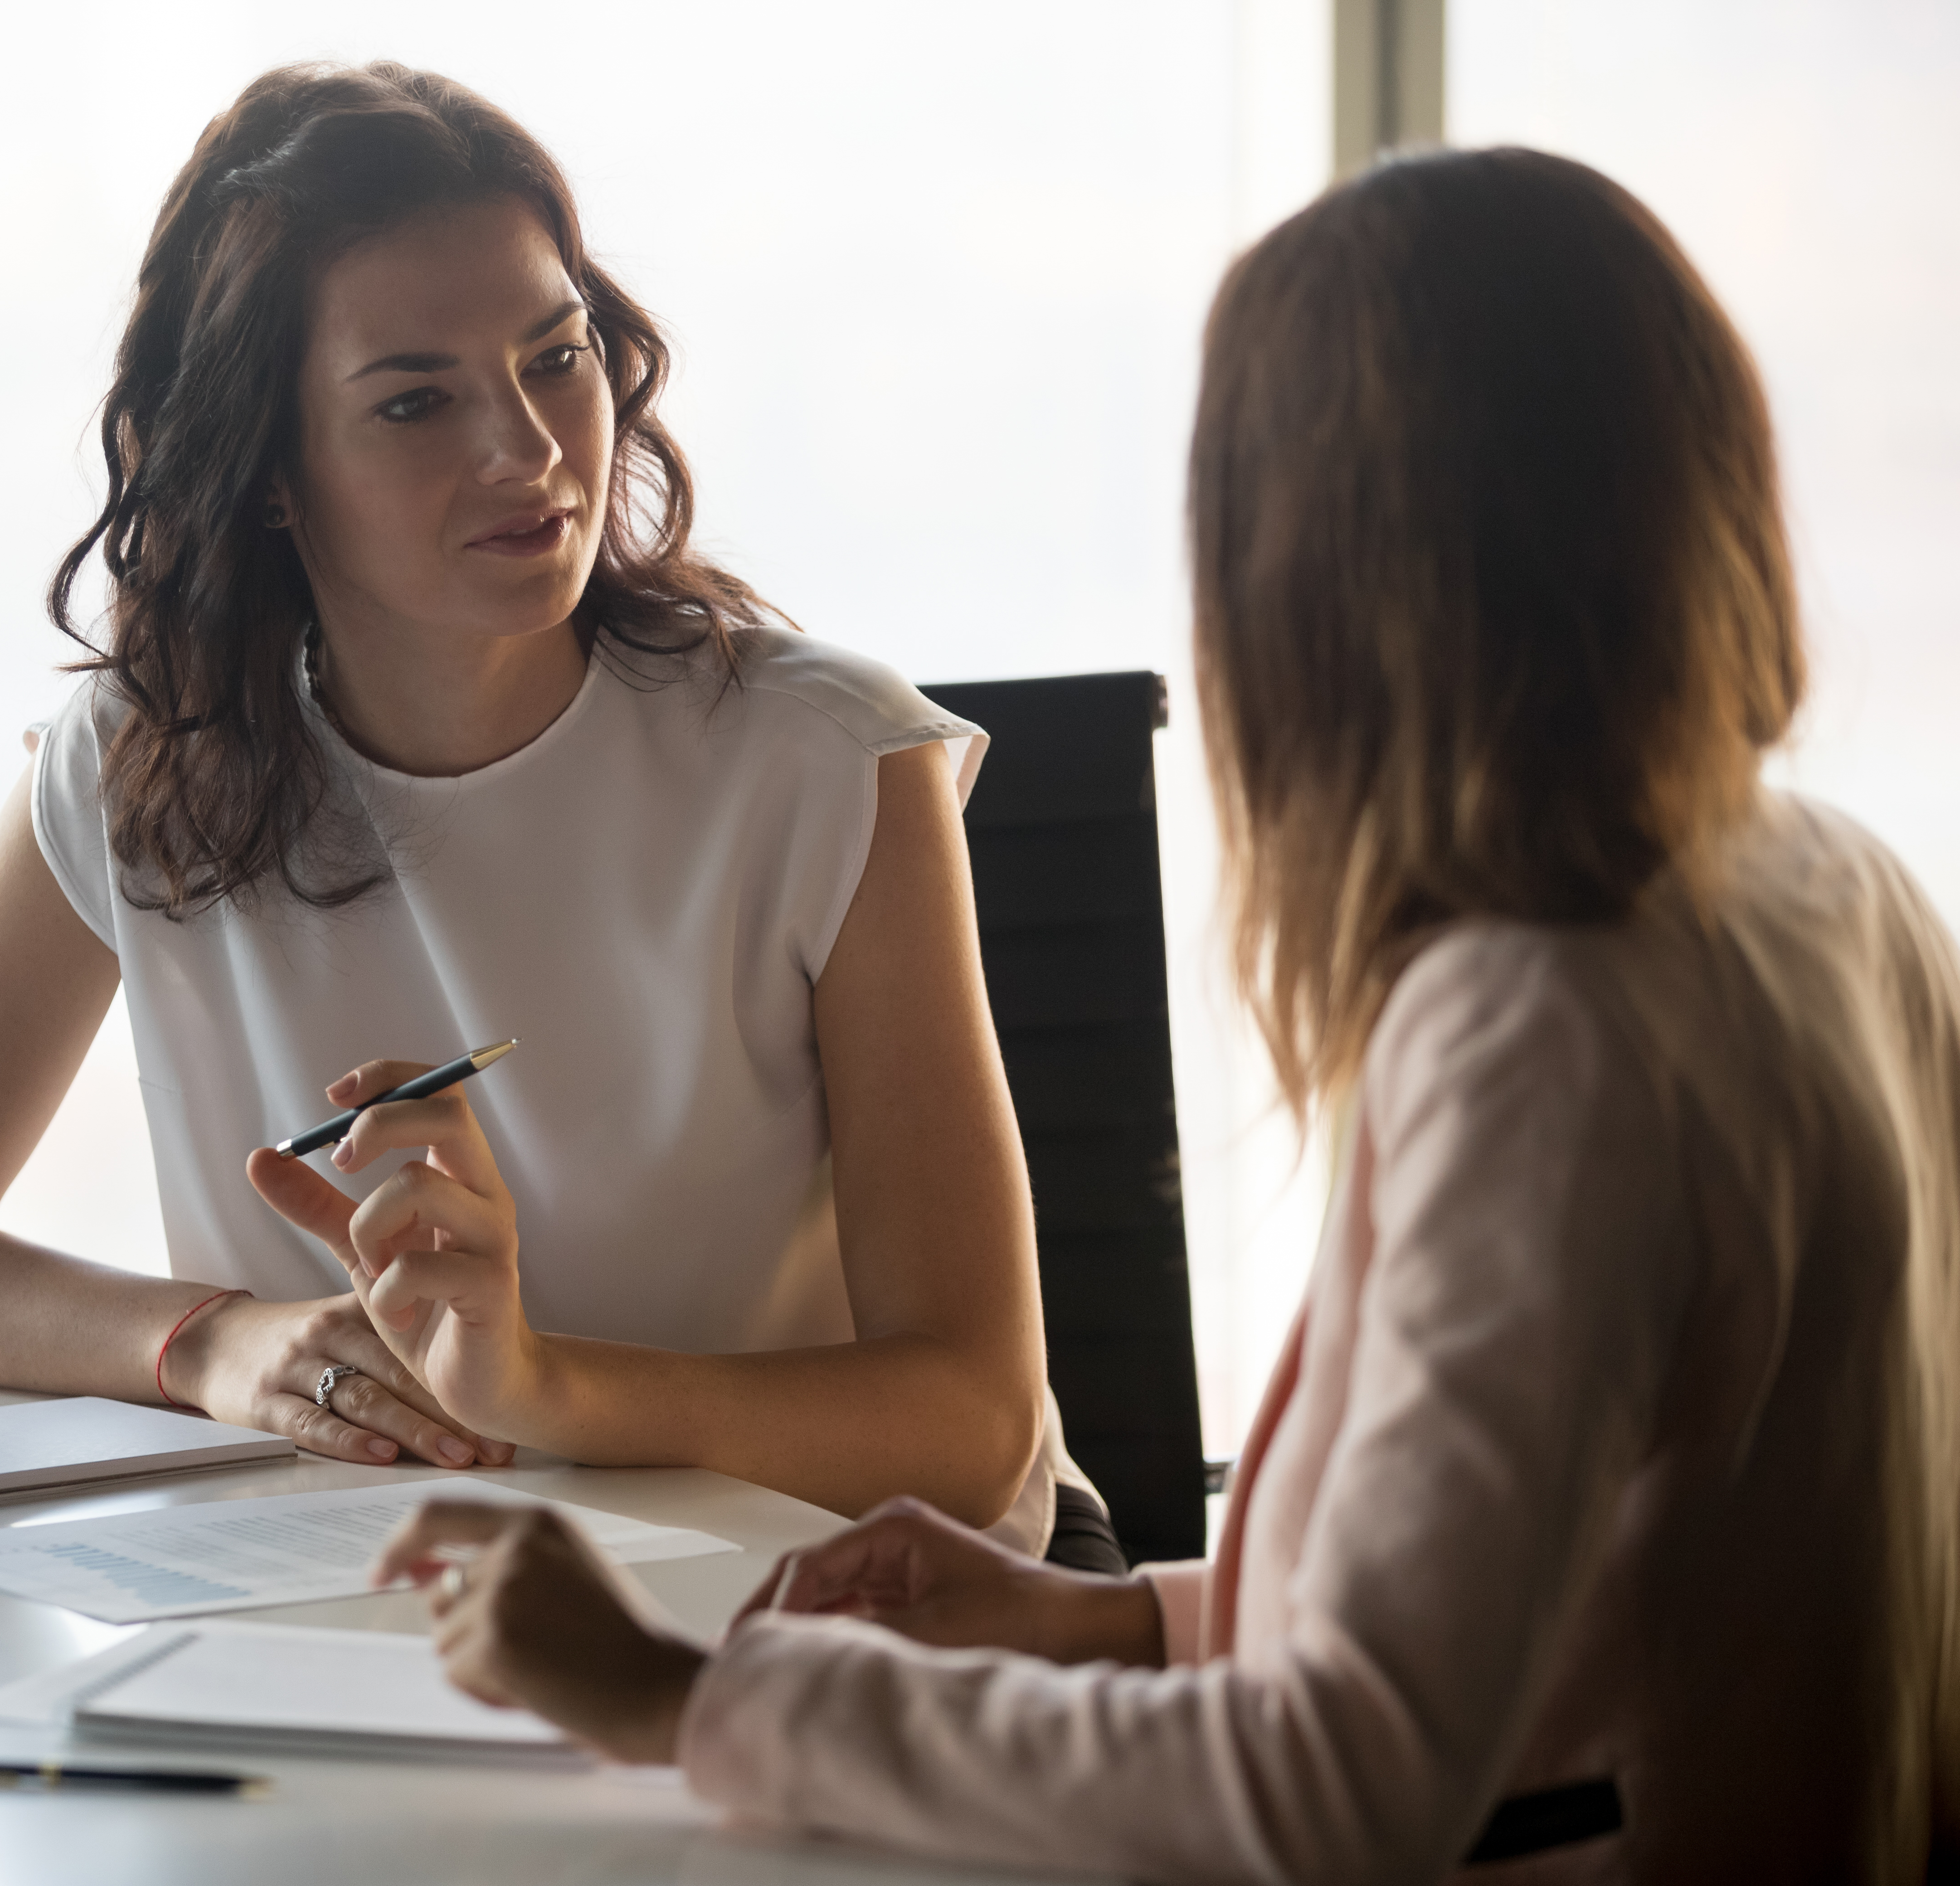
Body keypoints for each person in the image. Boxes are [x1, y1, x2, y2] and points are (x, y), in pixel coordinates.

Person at [374, 147, 1960, 1879]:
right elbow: (1593, 1625)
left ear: (1314, 577)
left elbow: (1325, 1792)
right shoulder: (1831, 888)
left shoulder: (1540, 1028)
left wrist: (680, 1702)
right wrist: (1116, 1631)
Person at [0, 61, 1114, 1559]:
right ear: (270, 471)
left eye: (557, 358)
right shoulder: (146, 760)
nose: (532, 451)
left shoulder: (826, 761)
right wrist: (214, 1345)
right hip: (385, 1600)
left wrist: (541, 1385)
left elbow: (970, 1419)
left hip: (872, 1595)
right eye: (417, 400)